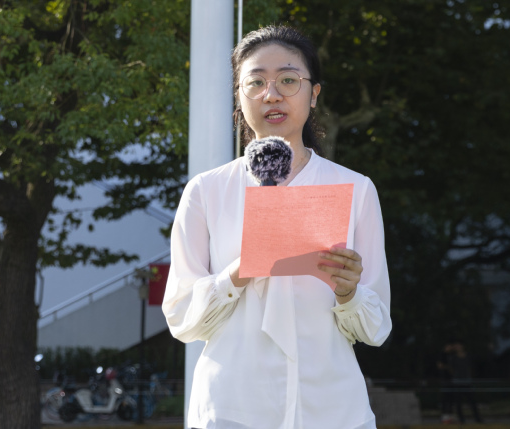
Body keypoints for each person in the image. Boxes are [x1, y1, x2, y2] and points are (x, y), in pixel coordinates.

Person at [162, 25, 392, 429]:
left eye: (288, 80)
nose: (272, 94)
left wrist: (348, 292)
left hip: (331, 410)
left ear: (313, 93)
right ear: (239, 95)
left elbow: (375, 328)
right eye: (256, 82)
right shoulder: (207, 191)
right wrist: (241, 270)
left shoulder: (355, 189)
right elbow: (182, 319)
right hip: (231, 409)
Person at [449, 341, 483, 424]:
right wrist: (456, 376)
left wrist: (469, 376)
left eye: (459, 345)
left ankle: (478, 419)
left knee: (472, 401)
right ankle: (462, 419)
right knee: (458, 402)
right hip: (457, 382)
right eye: (456, 346)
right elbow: (451, 369)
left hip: (467, 381)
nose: (457, 347)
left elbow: (471, 367)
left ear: (462, 346)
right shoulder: (453, 358)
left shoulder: (468, 356)